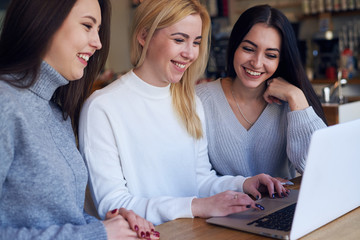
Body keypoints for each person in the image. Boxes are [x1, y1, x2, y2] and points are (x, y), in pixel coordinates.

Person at [79, 0, 289, 226]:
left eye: (196, 42)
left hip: (191, 232)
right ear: (144, 36)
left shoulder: (189, 102)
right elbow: (112, 206)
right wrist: (196, 206)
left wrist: (243, 184)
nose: (190, 54)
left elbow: (199, 180)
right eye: (179, 40)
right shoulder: (102, 107)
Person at [0, 0, 158, 239]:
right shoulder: (5, 103)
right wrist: (97, 233)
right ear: (44, 20)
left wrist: (113, 225)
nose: (98, 43)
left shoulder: (55, 110)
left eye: (98, 29)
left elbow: (61, 217)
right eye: (87, 25)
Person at [196, 5, 327, 183]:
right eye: (248, 49)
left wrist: (296, 97)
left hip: (283, 207)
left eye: (271, 55)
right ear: (234, 46)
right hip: (225, 209)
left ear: (281, 60)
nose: (257, 63)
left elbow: (320, 168)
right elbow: (196, 178)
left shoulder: (290, 103)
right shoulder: (201, 99)